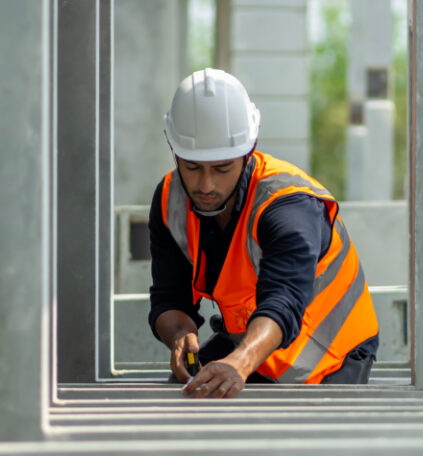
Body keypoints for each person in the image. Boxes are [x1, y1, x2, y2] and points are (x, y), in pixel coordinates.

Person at [148, 68, 379, 399]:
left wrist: (240, 363)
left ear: (248, 152)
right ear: (175, 152)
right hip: (249, 351)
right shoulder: (171, 199)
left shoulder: (288, 205)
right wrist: (180, 334)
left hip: (329, 357)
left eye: (222, 168)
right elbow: (169, 298)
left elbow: (283, 300)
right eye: (193, 167)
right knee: (186, 401)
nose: (206, 185)